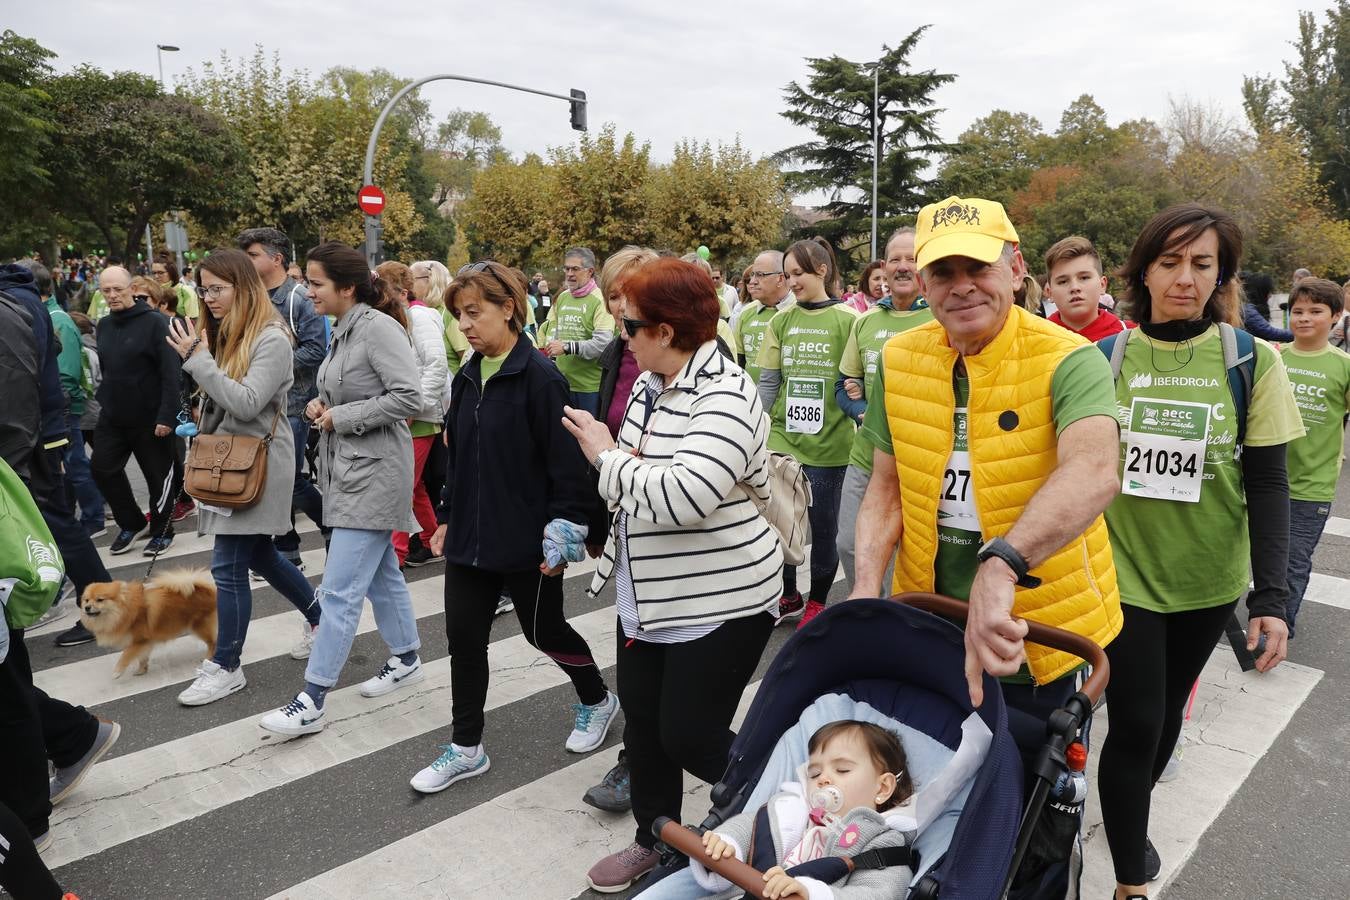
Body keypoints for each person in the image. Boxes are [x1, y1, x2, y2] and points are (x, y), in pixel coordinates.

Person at [848, 195, 1124, 900]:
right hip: (932, 622)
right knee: (933, 798)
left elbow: (1093, 469)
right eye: (943, 272)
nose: (961, 284)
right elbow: (885, 487)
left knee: (1036, 819)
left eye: (979, 265)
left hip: (1040, 637)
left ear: (1016, 269)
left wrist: (1003, 562)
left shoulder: (1069, 357)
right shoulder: (901, 356)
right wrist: (862, 591)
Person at [1094, 204, 1300, 900]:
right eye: (1171, 262)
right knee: (1138, 720)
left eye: (1202, 264)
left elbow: (1271, 484)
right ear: (1143, 270)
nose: (1185, 278)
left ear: (1222, 276)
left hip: (1208, 580)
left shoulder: (1250, 361)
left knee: (1164, 724)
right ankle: (1129, 879)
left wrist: (1270, 600)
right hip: (1121, 576)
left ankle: (1128, 813)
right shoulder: (1103, 358)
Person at [562, 258, 782, 893]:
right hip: (650, 593)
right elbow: (640, 477)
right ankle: (654, 840)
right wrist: (607, 482)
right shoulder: (652, 383)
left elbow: (685, 495)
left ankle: (779, 807)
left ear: (664, 329)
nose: (620, 336)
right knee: (646, 726)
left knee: (689, 734)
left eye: (629, 325)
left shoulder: (727, 394)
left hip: (723, 597)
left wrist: (605, 457)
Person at [411, 260, 615, 794]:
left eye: (475, 312)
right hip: (471, 540)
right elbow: (458, 459)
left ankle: (596, 698)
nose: (466, 326)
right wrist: (448, 518)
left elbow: (565, 466)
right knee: (463, 638)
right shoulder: (467, 374)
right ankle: (466, 746)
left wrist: (565, 530)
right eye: (459, 315)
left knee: (544, 631)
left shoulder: (541, 378)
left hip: (529, 539)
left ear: (510, 309)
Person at [258, 243, 425, 737]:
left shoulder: (377, 328)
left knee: (338, 591)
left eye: (316, 283)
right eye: (308, 282)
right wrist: (319, 406)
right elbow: (344, 390)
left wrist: (342, 416)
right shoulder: (342, 328)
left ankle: (313, 696)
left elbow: (410, 396)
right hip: (348, 469)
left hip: (373, 474)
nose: (307, 291)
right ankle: (408, 656)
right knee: (381, 578)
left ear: (347, 288)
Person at [166, 249, 322, 706]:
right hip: (229, 460)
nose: (209, 297)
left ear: (243, 286)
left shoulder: (271, 336)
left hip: (257, 465)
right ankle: (321, 617)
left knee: (228, 566)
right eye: (204, 288)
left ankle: (226, 665)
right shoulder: (230, 330)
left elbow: (249, 402)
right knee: (259, 556)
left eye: (218, 288)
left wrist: (198, 359)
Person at [688, 721, 915, 900]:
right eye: (814, 773)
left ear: (883, 787)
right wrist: (727, 844)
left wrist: (811, 892)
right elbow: (748, 826)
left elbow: (880, 893)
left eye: (842, 769)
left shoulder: (883, 842)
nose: (823, 779)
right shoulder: (792, 813)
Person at [756, 237, 859, 627]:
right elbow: (769, 383)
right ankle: (789, 595)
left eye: (798, 273)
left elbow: (855, 380)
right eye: (788, 274)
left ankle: (817, 600)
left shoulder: (849, 320)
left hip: (831, 445)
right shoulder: (781, 321)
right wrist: (757, 430)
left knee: (823, 528)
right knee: (781, 523)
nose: (792, 281)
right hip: (783, 441)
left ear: (822, 270)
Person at [834, 228, 932, 592]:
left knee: (915, 556)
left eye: (912, 259)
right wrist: (862, 411)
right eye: (895, 260)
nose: (903, 267)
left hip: (922, 460)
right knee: (848, 543)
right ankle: (868, 607)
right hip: (867, 456)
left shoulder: (941, 320)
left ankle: (894, 619)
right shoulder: (866, 321)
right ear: (883, 268)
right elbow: (842, 387)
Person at [237, 227, 329, 582]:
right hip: (260, 403)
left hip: (293, 404)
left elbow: (316, 350)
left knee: (289, 481)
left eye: (253, 255)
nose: (246, 261)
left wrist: (267, 363)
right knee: (271, 479)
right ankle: (288, 549)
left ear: (275, 259)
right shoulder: (251, 297)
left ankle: (329, 526)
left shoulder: (298, 299)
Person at [87, 265, 182, 557]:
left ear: (131, 288)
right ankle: (131, 522)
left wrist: (167, 415)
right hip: (114, 416)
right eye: (106, 291)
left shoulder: (155, 323)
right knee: (101, 468)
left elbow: (171, 373)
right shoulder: (103, 325)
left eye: (118, 289)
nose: (113, 295)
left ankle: (163, 530)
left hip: (152, 418)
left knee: (158, 476)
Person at [1280, 278, 1350, 638]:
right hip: (1262, 480)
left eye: (1315, 311)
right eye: (1298, 311)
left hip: (1312, 486)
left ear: (1336, 316)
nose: (1304, 318)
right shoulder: (1274, 357)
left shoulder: (1343, 365)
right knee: (1253, 554)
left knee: (1294, 560)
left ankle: (1280, 625)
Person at [24, 261, 107, 538]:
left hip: (64, 407)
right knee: (69, 467)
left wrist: (61, 402)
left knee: (75, 465)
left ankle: (94, 517)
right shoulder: (43, 315)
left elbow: (67, 371)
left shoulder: (57, 319)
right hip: (58, 406)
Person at [377, 261, 448, 569]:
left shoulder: (420, 318)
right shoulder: (400, 317)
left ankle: (397, 554)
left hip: (419, 417)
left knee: (400, 485)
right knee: (414, 485)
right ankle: (435, 539)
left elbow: (436, 365)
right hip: (409, 415)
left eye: (382, 287)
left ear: (401, 292)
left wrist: (411, 406)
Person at [540, 247, 613, 414]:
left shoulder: (600, 300)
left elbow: (603, 344)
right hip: (561, 382)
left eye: (575, 269)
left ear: (590, 271)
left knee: (585, 437)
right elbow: (558, 333)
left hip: (589, 387)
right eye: (567, 268)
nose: (569, 274)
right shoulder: (563, 297)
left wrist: (567, 347)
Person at [1044, 236, 1128, 341]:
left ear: (1102, 285)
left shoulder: (1130, 336)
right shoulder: (1035, 340)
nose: (1074, 287)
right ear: (1050, 292)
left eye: (1084, 278)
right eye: (1063, 281)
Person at [732, 250, 794, 386]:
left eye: (760, 275)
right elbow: (738, 361)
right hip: (751, 399)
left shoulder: (799, 311)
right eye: (753, 275)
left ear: (780, 278)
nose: (752, 282)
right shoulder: (746, 312)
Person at [411, 260, 470, 378]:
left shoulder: (449, 313)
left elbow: (466, 358)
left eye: (412, 279)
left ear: (431, 280)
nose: (407, 284)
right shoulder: (418, 312)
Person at [1239, 272, 1294, 343]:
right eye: (1268, 292)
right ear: (1261, 293)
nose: (1270, 296)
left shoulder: (1250, 307)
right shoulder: (1248, 310)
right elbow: (1269, 332)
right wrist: (1298, 334)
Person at [151, 257, 200, 321]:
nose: (156, 276)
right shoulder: (150, 292)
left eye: (160, 273)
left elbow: (193, 321)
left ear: (171, 272)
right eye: (154, 273)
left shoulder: (186, 291)